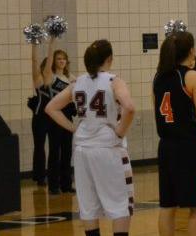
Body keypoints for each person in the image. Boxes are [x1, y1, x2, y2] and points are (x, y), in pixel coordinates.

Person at [46, 40, 136, 236]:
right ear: (109, 59)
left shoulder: (77, 82)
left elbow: (50, 107)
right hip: (108, 150)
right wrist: (120, 131)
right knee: (120, 204)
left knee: (88, 206)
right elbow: (129, 107)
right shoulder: (114, 81)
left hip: (82, 150)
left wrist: (73, 128)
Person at [153, 31, 196, 236]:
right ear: (190, 50)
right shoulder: (193, 77)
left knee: (168, 206)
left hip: (166, 146)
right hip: (190, 147)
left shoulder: (158, 78)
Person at [41, 40, 76, 194]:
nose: (61, 61)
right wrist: (52, 43)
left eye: (63, 59)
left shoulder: (70, 77)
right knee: (55, 152)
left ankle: (66, 184)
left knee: (67, 151)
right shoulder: (51, 77)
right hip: (54, 118)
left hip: (68, 116)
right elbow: (47, 64)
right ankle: (53, 186)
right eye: (58, 59)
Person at [29, 46, 52, 186]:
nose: (47, 68)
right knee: (39, 146)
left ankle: (54, 174)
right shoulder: (39, 79)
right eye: (45, 66)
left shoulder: (55, 80)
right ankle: (40, 176)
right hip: (39, 117)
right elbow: (34, 61)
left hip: (53, 117)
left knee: (55, 147)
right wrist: (34, 44)